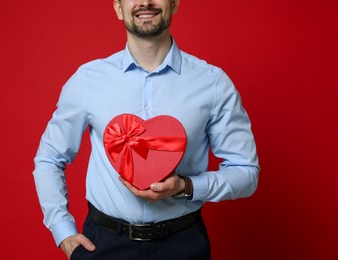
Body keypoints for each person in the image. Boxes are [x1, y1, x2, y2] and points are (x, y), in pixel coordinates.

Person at [33, 0, 259, 259]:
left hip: (183, 245)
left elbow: (246, 172)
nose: (145, 2)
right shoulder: (87, 80)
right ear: (118, 8)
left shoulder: (213, 83)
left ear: (174, 4)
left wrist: (185, 186)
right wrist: (62, 231)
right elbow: (49, 158)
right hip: (104, 245)